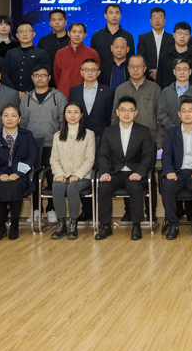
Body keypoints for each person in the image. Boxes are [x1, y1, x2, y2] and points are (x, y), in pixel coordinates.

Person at [96, 96, 156, 240]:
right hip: (115, 173)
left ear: (135, 113)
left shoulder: (143, 131)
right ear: (117, 112)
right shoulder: (109, 131)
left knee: (134, 187)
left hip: (135, 172)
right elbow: (103, 155)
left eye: (130, 110)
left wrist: (140, 172)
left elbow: (148, 156)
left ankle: (136, 226)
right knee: (103, 187)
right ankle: (105, 226)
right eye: (123, 110)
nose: (126, 113)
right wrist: (104, 172)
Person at [0, 104, 38, 241]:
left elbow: (32, 157)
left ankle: (14, 226)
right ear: (1, 118)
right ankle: (0, 227)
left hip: (20, 174)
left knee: (15, 186)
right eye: (6, 115)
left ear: (19, 118)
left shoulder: (27, 135)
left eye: (13, 115)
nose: (9, 119)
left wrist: (18, 173)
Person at [160, 97, 192, 241]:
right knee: (167, 186)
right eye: (184, 111)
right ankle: (173, 225)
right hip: (177, 173)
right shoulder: (171, 133)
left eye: (190, 111)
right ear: (179, 114)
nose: (187, 114)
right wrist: (169, 171)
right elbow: (166, 155)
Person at [49, 102, 96, 240]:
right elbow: (54, 159)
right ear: (64, 115)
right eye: (69, 112)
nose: (72, 115)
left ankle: (73, 224)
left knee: (72, 188)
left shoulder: (89, 134)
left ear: (81, 115)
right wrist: (59, 174)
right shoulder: (57, 135)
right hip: (63, 175)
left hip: (83, 177)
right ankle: (61, 225)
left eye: (76, 112)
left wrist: (78, 175)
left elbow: (90, 159)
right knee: (57, 187)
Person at [20, 64, 67, 168]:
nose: (40, 78)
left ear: (49, 77)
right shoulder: (26, 99)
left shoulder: (59, 97)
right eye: (36, 75)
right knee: (32, 174)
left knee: (50, 173)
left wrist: (60, 140)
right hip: (31, 144)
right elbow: (22, 122)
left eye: (43, 75)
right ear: (32, 78)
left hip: (52, 144)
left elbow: (64, 121)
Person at [156, 57, 192, 145]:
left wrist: (187, 130)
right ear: (174, 72)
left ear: (190, 71)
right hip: (170, 136)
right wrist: (175, 130)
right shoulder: (166, 92)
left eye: (185, 69)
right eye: (179, 69)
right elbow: (162, 115)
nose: (182, 72)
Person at [112, 55, 161, 143]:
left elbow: (161, 115)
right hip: (125, 138)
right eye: (132, 67)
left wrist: (159, 138)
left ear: (144, 68)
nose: (135, 70)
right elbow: (115, 115)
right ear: (128, 69)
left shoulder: (155, 89)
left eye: (139, 66)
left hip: (150, 138)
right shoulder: (121, 89)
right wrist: (115, 137)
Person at [0, 21, 51, 97]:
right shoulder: (10, 53)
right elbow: (4, 75)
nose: (24, 34)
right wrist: (14, 92)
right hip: (11, 95)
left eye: (28, 31)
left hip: (35, 94)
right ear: (17, 35)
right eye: (21, 31)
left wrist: (27, 92)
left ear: (33, 34)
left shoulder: (42, 53)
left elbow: (46, 75)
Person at [68, 59, 114, 140]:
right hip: (79, 134)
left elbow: (109, 116)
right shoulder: (74, 91)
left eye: (93, 70)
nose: (89, 73)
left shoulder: (108, 92)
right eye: (86, 70)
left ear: (98, 72)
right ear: (81, 72)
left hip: (101, 135)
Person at [53, 23, 101, 94]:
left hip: (86, 94)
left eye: (80, 32)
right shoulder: (60, 53)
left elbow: (97, 75)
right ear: (68, 33)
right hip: (63, 94)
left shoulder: (92, 53)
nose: (77, 35)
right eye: (74, 32)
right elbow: (57, 76)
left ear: (85, 35)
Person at [158, 22, 192, 95]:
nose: (182, 36)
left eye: (186, 34)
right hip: (169, 96)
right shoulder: (165, 55)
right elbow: (159, 79)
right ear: (174, 35)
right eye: (180, 33)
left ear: (189, 36)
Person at [136, 6, 175, 86]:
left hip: (167, 78)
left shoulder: (172, 38)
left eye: (160, 18)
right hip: (147, 78)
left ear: (164, 21)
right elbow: (140, 57)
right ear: (150, 21)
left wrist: (160, 72)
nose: (157, 21)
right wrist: (150, 72)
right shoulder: (143, 38)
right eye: (154, 18)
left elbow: (172, 58)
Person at [90, 3, 135, 69]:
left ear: (120, 15)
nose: (114, 16)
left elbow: (131, 58)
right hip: (101, 72)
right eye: (111, 13)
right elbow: (92, 57)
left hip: (122, 72)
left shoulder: (128, 36)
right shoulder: (97, 36)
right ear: (105, 15)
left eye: (117, 13)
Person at [37, 9, 70, 85]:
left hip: (69, 79)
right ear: (50, 23)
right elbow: (39, 62)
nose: (57, 22)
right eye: (53, 20)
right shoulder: (43, 40)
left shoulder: (72, 39)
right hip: (48, 81)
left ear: (65, 22)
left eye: (60, 19)